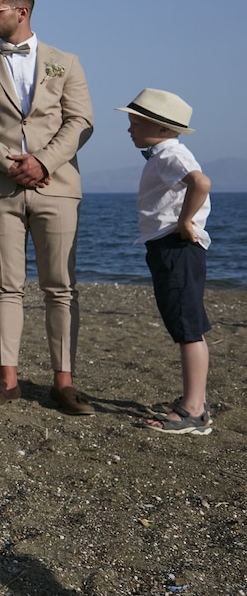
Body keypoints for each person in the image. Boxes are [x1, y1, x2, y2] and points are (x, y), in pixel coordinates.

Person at [0, 0, 95, 415]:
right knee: (6, 286)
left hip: (57, 186)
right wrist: (9, 162)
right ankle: (7, 380)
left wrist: (44, 162)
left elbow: (81, 121)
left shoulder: (65, 62)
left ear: (21, 11)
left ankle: (64, 383)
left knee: (61, 288)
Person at [116, 89, 213, 435]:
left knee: (188, 328)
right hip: (169, 247)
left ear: (159, 128)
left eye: (134, 123)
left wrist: (186, 222)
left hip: (176, 247)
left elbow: (200, 183)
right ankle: (194, 401)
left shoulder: (170, 154)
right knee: (186, 325)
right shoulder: (164, 154)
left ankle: (193, 410)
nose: (129, 130)